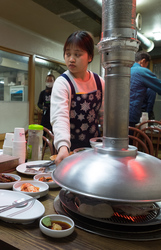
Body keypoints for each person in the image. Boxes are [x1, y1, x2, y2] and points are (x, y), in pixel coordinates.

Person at [50, 31, 105, 165]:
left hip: (94, 149)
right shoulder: (63, 82)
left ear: (90, 57)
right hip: (69, 150)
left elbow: (104, 116)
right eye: (68, 54)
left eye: (77, 54)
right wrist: (63, 146)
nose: (71, 59)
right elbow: (60, 117)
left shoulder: (100, 82)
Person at [129, 51, 161, 128]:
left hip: (116, 115)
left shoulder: (126, 70)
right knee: (130, 138)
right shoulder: (142, 71)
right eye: (147, 65)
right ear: (143, 61)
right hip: (131, 116)